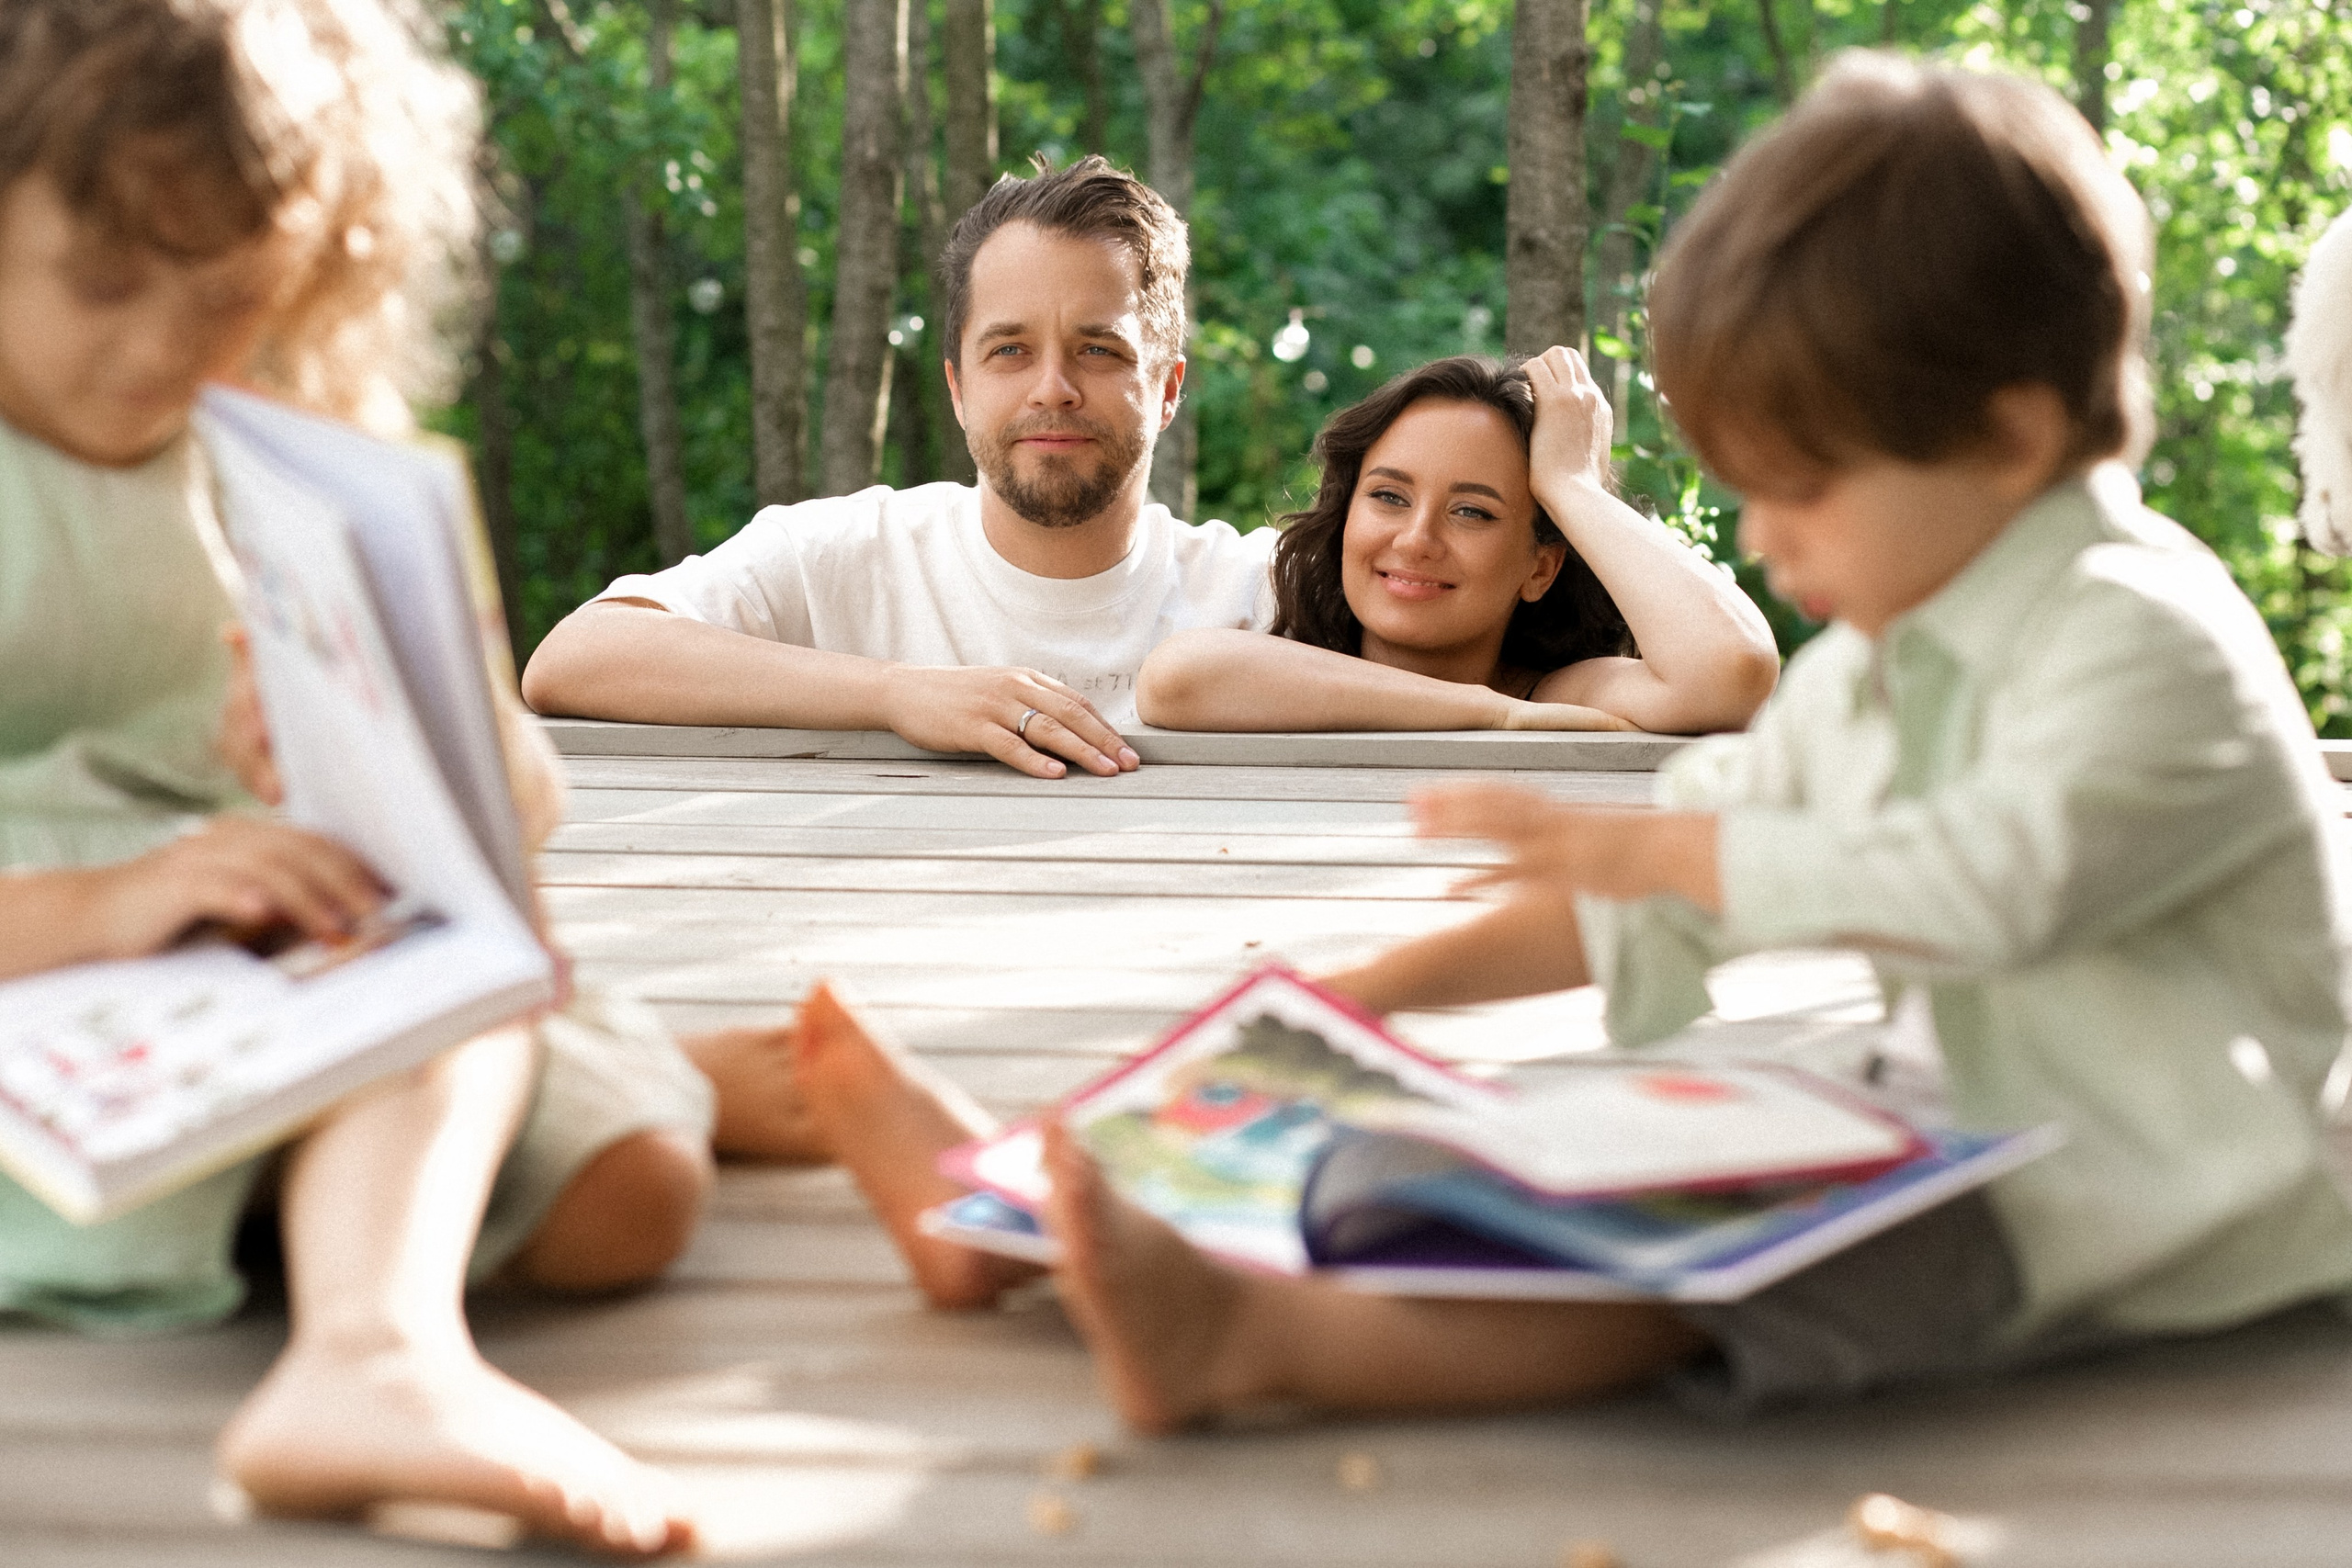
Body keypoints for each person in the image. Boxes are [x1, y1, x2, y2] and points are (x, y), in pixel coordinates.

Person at [830, 53, 2352, 1427]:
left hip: (2167, 1192)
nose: (1762, 534)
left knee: (1700, 1262)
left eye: (1799, 486)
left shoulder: (2148, 634)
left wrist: (1668, 847)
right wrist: (1337, 1012)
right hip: (1947, 1101)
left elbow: (1986, 881)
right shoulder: (1895, 653)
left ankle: (1249, 1338)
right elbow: (1674, 871)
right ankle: (1034, 1226)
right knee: (1508, 1131)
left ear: (2010, 439)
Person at [0, 0, 714, 1550]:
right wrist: (100, 902)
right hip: (31, 945)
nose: (164, 350)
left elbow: (503, 797)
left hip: (234, 947)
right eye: (107, 283)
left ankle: (367, 1351)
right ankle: (370, 1311)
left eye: (234, 297)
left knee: (631, 1189)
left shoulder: (266, 452)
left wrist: (397, 760)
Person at [519, 156, 1278, 781]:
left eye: (1099, 349)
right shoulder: (841, 554)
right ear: (958, 386)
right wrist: (897, 692)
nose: (1053, 387)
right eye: (1009, 350)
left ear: (1169, 388)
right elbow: (574, 658)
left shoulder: (1252, 590)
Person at [1136, 350, 1779, 734]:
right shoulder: (1290, 666)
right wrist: (1492, 716)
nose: (1417, 539)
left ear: (1540, 568)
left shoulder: (1556, 697)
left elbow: (1732, 669)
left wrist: (1573, 485)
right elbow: (1176, 677)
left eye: (1471, 511)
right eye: (1388, 496)